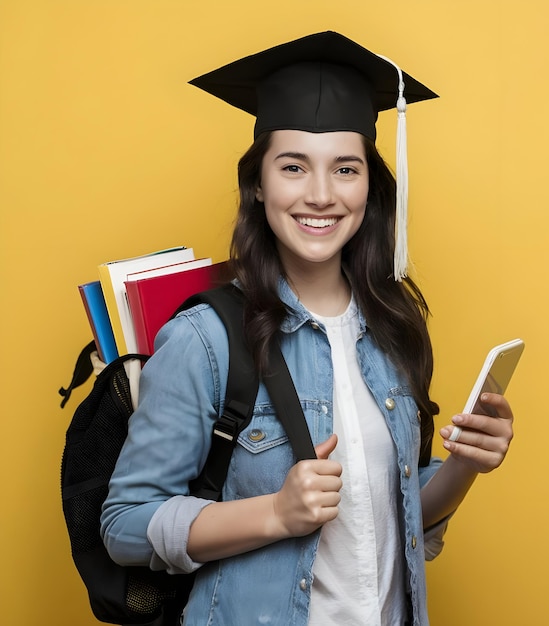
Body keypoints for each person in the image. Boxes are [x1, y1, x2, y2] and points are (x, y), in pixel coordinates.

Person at [101, 31, 514, 626]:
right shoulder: (206, 339)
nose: (320, 195)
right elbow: (124, 527)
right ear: (259, 184)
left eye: (345, 169)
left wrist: (464, 466)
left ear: (369, 188)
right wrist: (275, 513)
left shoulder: (395, 327)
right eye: (293, 167)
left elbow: (395, 523)